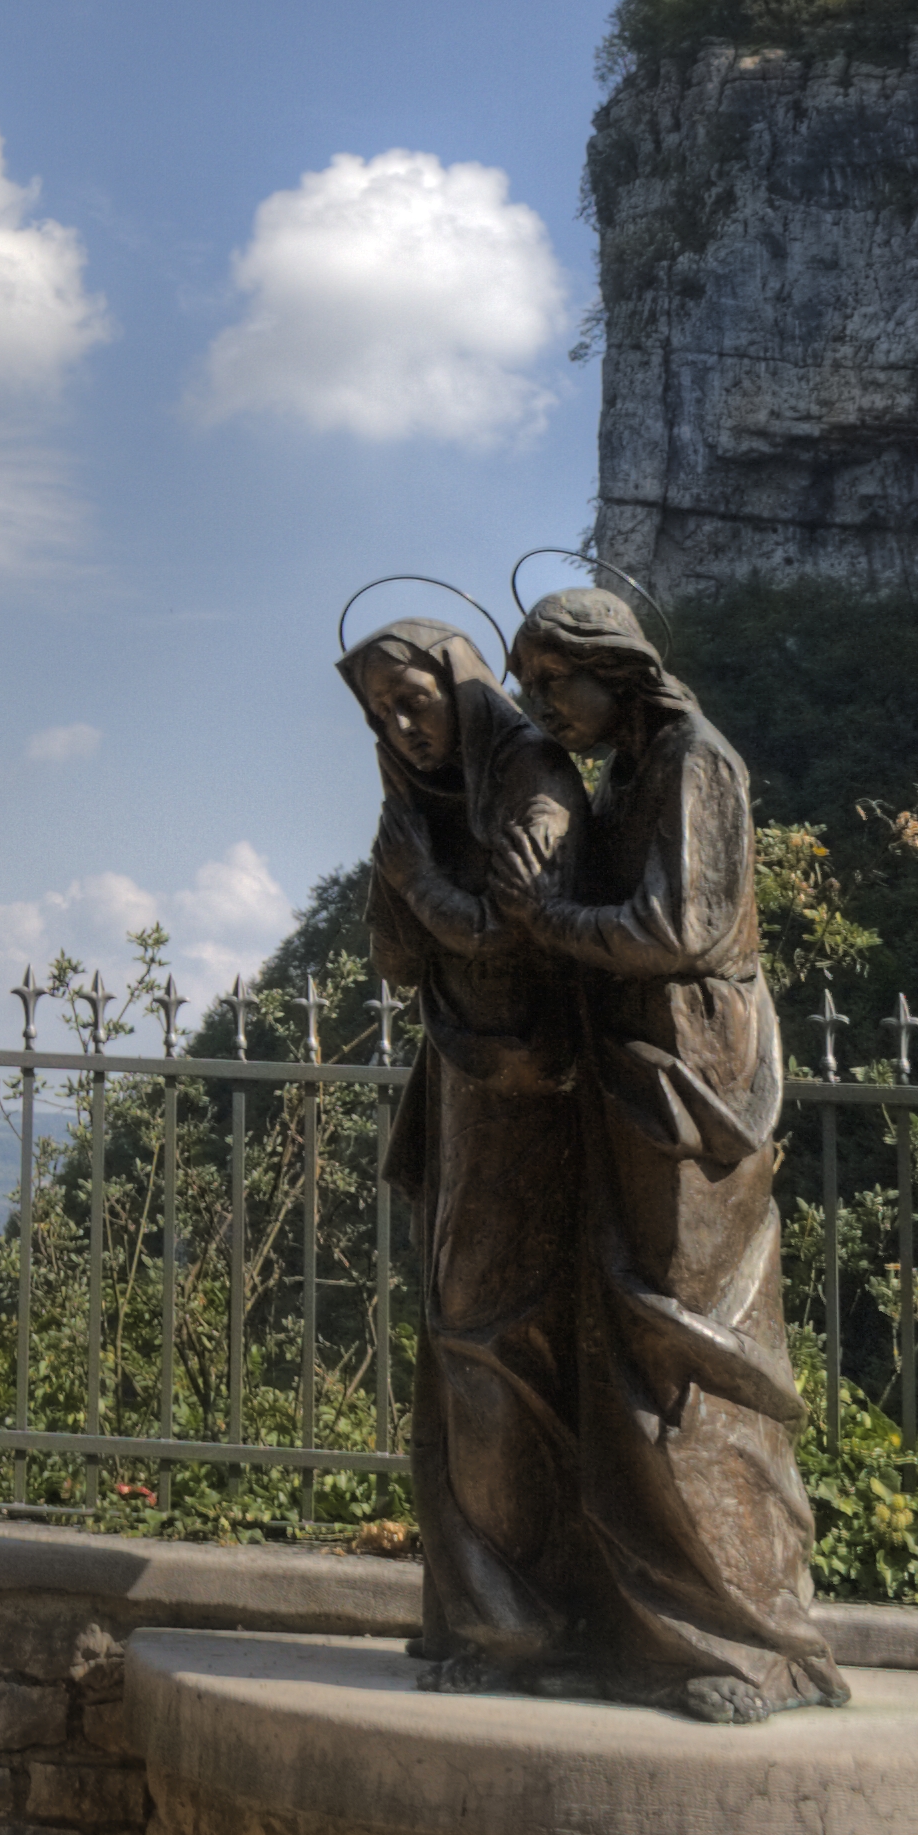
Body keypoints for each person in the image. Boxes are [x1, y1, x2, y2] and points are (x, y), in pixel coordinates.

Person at [504, 585, 845, 1721]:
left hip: (693, 1069)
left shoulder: (695, 759)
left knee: (690, 1343)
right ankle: (660, 1624)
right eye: (528, 683)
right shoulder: (631, 772)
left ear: (621, 665)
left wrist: (546, 916)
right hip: (640, 1059)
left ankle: (752, 1643)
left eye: (558, 677)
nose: (541, 701)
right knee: (638, 1334)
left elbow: (677, 930)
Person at [342, 618, 592, 1692]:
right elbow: (397, 959)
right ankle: (469, 1607)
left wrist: (423, 879)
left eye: (414, 699)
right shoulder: (423, 803)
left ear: (460, 679)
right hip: (459, 1084)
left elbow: (507, 923)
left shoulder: (536, 774)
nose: (401, 724)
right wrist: (403, 863)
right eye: (381, 715)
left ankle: (519, 1625)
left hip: (526, 1090)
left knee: (491, 1337)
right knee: (455, 1347)